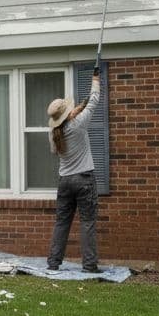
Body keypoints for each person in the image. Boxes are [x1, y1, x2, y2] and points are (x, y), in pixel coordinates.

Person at [46, 66, 103, 273]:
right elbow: (95, 100)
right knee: (87, 222)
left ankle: (53, 263)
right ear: (68, 114)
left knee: (62, 223)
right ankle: (89, 266)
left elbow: (63, 129)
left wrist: (76, 110)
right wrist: (95, 79)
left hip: (65, 181)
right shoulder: (78, 125)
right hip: (84, 179)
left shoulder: (53, 133)